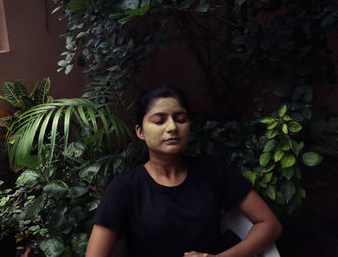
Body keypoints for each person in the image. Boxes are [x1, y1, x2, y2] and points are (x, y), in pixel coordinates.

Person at [86, 85, 282, 257]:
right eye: (159, 121)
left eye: (180, 119)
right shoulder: (125, 188)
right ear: (140, 132)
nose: (172, 127)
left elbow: (269, 224)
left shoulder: (214, 172)